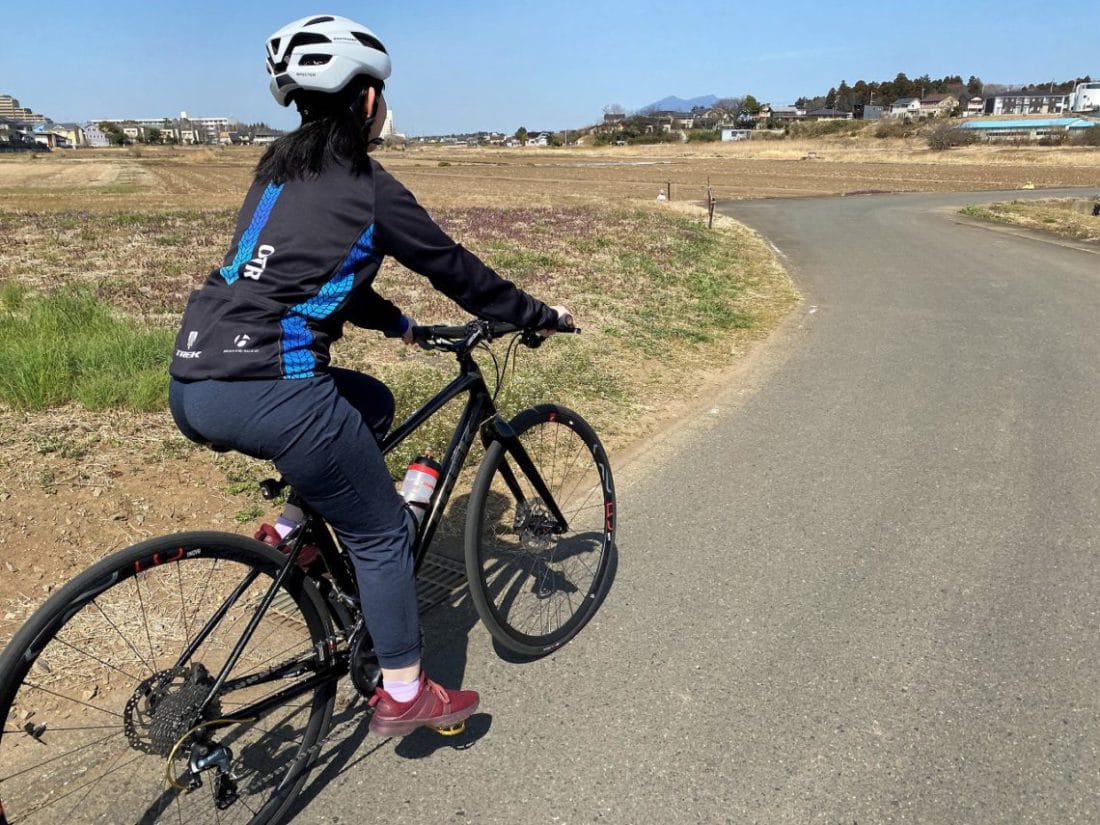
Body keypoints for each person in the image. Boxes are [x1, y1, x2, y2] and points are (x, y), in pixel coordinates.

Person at [168, 14, 568, 737]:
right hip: (271, 386)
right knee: (383, 531)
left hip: (195, 378)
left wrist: (401, 326)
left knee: (372, 403)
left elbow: (310, 274)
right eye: (379, 91)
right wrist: (534, 313)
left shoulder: (277, 169)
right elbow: (458, 270)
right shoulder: (369, 185)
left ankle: (294, 526)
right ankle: (406, 690)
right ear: (363, 100)